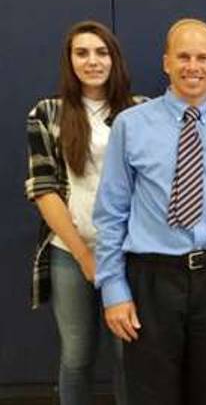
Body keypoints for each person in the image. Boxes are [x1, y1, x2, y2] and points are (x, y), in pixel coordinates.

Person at [94, 18, 206, 405]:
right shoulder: (130, 125)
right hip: (151, 278)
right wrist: (114, 288)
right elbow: (111, 211)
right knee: (151, 394)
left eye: (203, 57)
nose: (193, 66)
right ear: (166, 62)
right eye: (183, 56)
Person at [24, 20, 143, 405]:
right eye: (82, 53)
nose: (92, 61)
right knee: (77, 355)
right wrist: (85, 255)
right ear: (70, 61)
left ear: (114, 59)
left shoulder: (140, 111)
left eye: (101, 52)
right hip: (70, 251)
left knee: (129, 353)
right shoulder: (47, 113)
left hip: (128, 251)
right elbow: (44, 190)